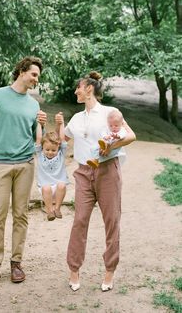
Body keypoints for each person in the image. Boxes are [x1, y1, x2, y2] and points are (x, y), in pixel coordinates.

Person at [0, 56, 47, 288]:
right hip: (1, 164)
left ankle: (16, 263)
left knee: (21, 215)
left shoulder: (34, 104)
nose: (36, 80)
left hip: (26, 164)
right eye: (34, 74)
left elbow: (37, 140)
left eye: (38, 76)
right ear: (22, 71)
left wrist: (42, 125)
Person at [61, 71, 136, 292]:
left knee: (112, 221)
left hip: (107, 172)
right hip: (84, 172)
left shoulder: (109, 113)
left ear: (89, 89)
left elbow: (130, 135)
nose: (76, 91)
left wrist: (109, 148)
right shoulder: (76, 118)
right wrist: (48, 125)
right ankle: (74, 270)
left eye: (78, 87)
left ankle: (109, 271)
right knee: (79, 221)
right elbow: (61, 140)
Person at [35, 112, 68, 221]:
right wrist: (39, 124)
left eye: (53, 150)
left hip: (58, 187)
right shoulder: (40, 153)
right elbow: (39, 138)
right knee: (46, 187)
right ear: (42, 148)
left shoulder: (61, 153)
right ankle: (49, 210)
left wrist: (61, 123)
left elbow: (62, 138)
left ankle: (57, 208)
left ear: (58, 148)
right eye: (47, 149)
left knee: (62, 185)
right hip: (45, 188)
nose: (50, 152)